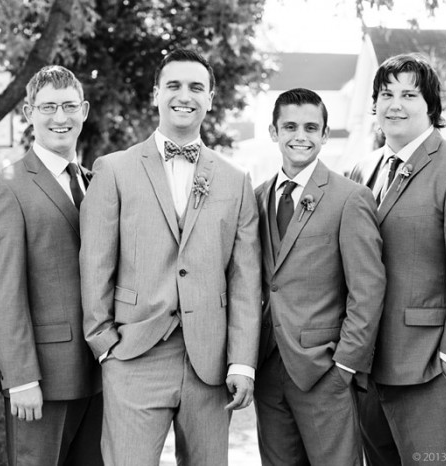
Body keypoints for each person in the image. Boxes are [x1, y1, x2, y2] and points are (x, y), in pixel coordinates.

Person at [79, 48, 261, 465]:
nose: (185, 95)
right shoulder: (114, 169)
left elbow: (245, 279)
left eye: (196, 87)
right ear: (156, 93)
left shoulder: (235, 180)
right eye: (174, 85)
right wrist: (104, 344)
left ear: (210, 98)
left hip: (210, 363)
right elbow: (95, 264)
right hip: (134, 354)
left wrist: (242, 363)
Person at [349, 53, 446, 466]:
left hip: (428, 365)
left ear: (431, 104)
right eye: (386, 94)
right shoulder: (361, 170)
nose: (395, 104)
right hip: (366, 367)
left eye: (408, 95)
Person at [0, 65, 102, 466]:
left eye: (69, 106)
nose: (60, 117)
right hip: (43, 379)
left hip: (103, 374)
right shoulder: (5, 187)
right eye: (48, 107)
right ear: (29, 112)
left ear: (84, 110)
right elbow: (3, 292)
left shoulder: (96, 182)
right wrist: (20, 378)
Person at [253, 88, 385, 466]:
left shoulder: (350, 198)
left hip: (324, 369)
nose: (301, 136)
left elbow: (368, 289)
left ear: (325, 135)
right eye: (290, 126)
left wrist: (345, 364)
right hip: (268, 368)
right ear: (274, 132)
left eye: (311, 128)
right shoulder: (257, 197)